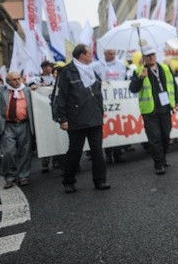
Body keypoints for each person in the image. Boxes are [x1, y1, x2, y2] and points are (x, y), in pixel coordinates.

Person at [54, 44, 110, 193]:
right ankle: (68, 181)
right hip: (76, 119)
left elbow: (97, 94)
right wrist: (62, 119)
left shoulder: (92, 71)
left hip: (94, 118)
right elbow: (60, 97)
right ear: (82, 55)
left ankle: (100, 180)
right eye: (89, 53)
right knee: (74, 152)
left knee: (98, 151)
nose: (92, 55)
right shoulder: (67, 72)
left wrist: (100, 112)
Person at [129, 45, 178, 175]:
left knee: (165, 135)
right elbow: (133, 89)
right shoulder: (139, 71)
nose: (151, 57)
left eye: (152, 54)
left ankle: (162, 157)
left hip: (165, 109)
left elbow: (173, 84)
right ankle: (158, 163)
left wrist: (177, 100)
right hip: (150, 111)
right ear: (144, 58)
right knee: (154, 138)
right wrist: (140, 78)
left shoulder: (164, 68)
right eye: (148, 55)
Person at [0, 71, 35, 189]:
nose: (17, 81)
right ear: (8, 81)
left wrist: (36, 88)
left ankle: (23, 176)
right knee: (8, 153)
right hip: (8, 125)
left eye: (18, 78)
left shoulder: (28, 91)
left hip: (24, 124)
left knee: (24, 152)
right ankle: (10, 177)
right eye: (14, 79)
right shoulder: (0, 90)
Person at [94, 48, 128, 163]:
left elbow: (125, 79)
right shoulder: (96, 66)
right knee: (107, 126)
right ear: (104, 54)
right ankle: (108, 153)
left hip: (118, 99)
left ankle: (119, 153)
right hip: (104, 100)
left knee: (118, 125)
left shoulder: (121, 65)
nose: (113, 55)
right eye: (110, 54)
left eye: (114, 53)